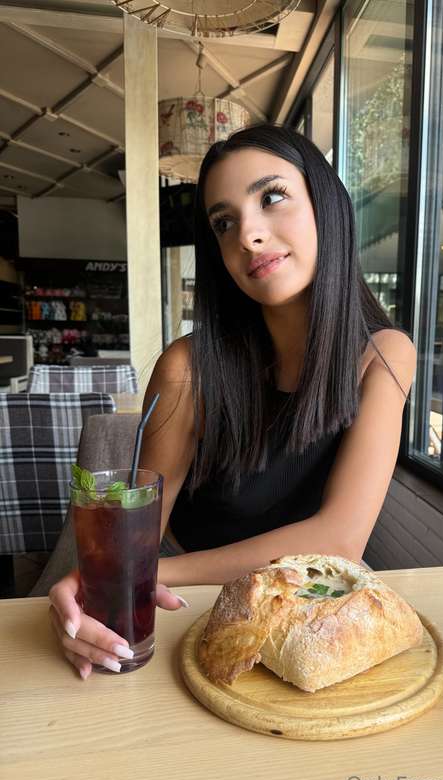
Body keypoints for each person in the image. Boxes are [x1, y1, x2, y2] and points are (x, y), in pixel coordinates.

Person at [48, 124, 416, 680]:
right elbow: (143, 530)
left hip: (307, 605)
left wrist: (140, 575)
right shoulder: (187, 367)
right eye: (224, 223)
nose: (249, 235)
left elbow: (340, 538)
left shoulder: (384, 355)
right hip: (187, 598)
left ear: (327, 205)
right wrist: (110, 581)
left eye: (272, 197)